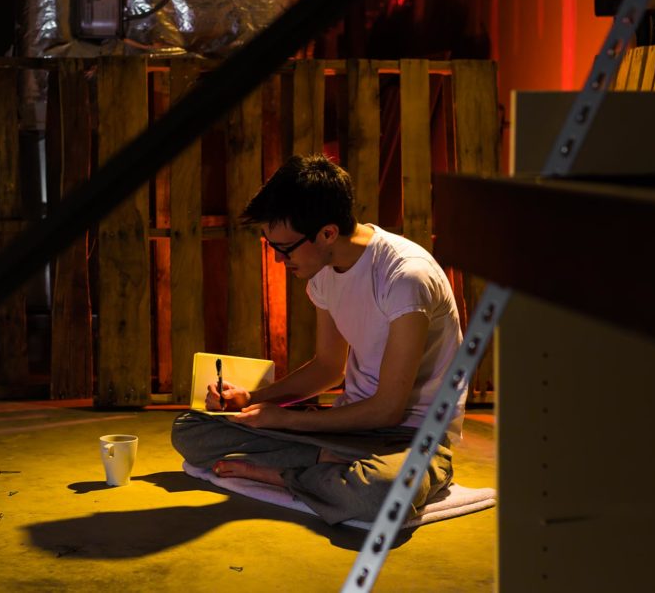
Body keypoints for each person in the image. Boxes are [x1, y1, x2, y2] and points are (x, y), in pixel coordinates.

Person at [171, 154, 466, 525]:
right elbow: (329, 367)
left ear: (327, 233)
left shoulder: (405, 277)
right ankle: (326, 466)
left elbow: (388, 410)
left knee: (381, 491)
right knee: (190, 430)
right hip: (346, 429)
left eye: (285, 248)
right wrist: (251, 401)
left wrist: (286, 421)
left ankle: (283, 476)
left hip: (410, 438)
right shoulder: (325, 273)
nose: (279, 260)